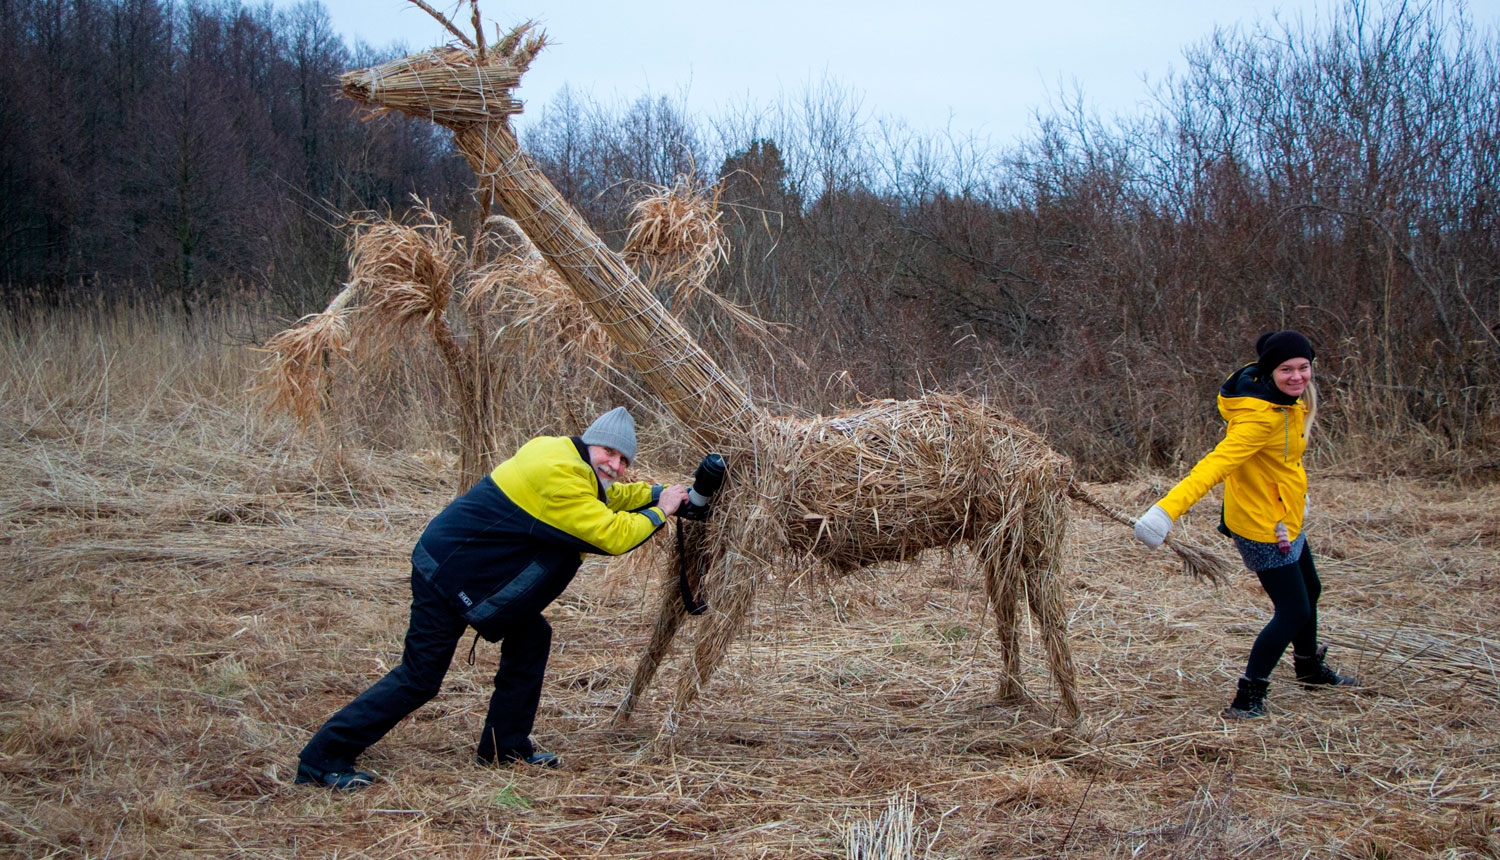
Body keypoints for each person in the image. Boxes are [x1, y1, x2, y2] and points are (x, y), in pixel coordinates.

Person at [296, 407, 691, 789]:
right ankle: (322, 758)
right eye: (609, 452)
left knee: (532, 637)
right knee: (420, 677)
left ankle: (504, 748)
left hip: (471, 571)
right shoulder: (560, 477)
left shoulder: (564, 457)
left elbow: (611, 497)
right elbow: (611, 534)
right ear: (590, 444)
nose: (615, 465)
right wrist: (661, 511)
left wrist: (663, 493)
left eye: (624, 459)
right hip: (448, 572)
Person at [1133, 331, 1356, 719]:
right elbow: (1215, 466)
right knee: (1292, 611)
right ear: (1270, 372)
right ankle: (1247, 696)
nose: (1298, 376)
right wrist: (1165, 512)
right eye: (1287, 369)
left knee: (1311, 589)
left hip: (1285, 517)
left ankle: (1307, 668)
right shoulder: (1259, 418)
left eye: (1304, 367)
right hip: (1262, 527)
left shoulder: (1287, 402)